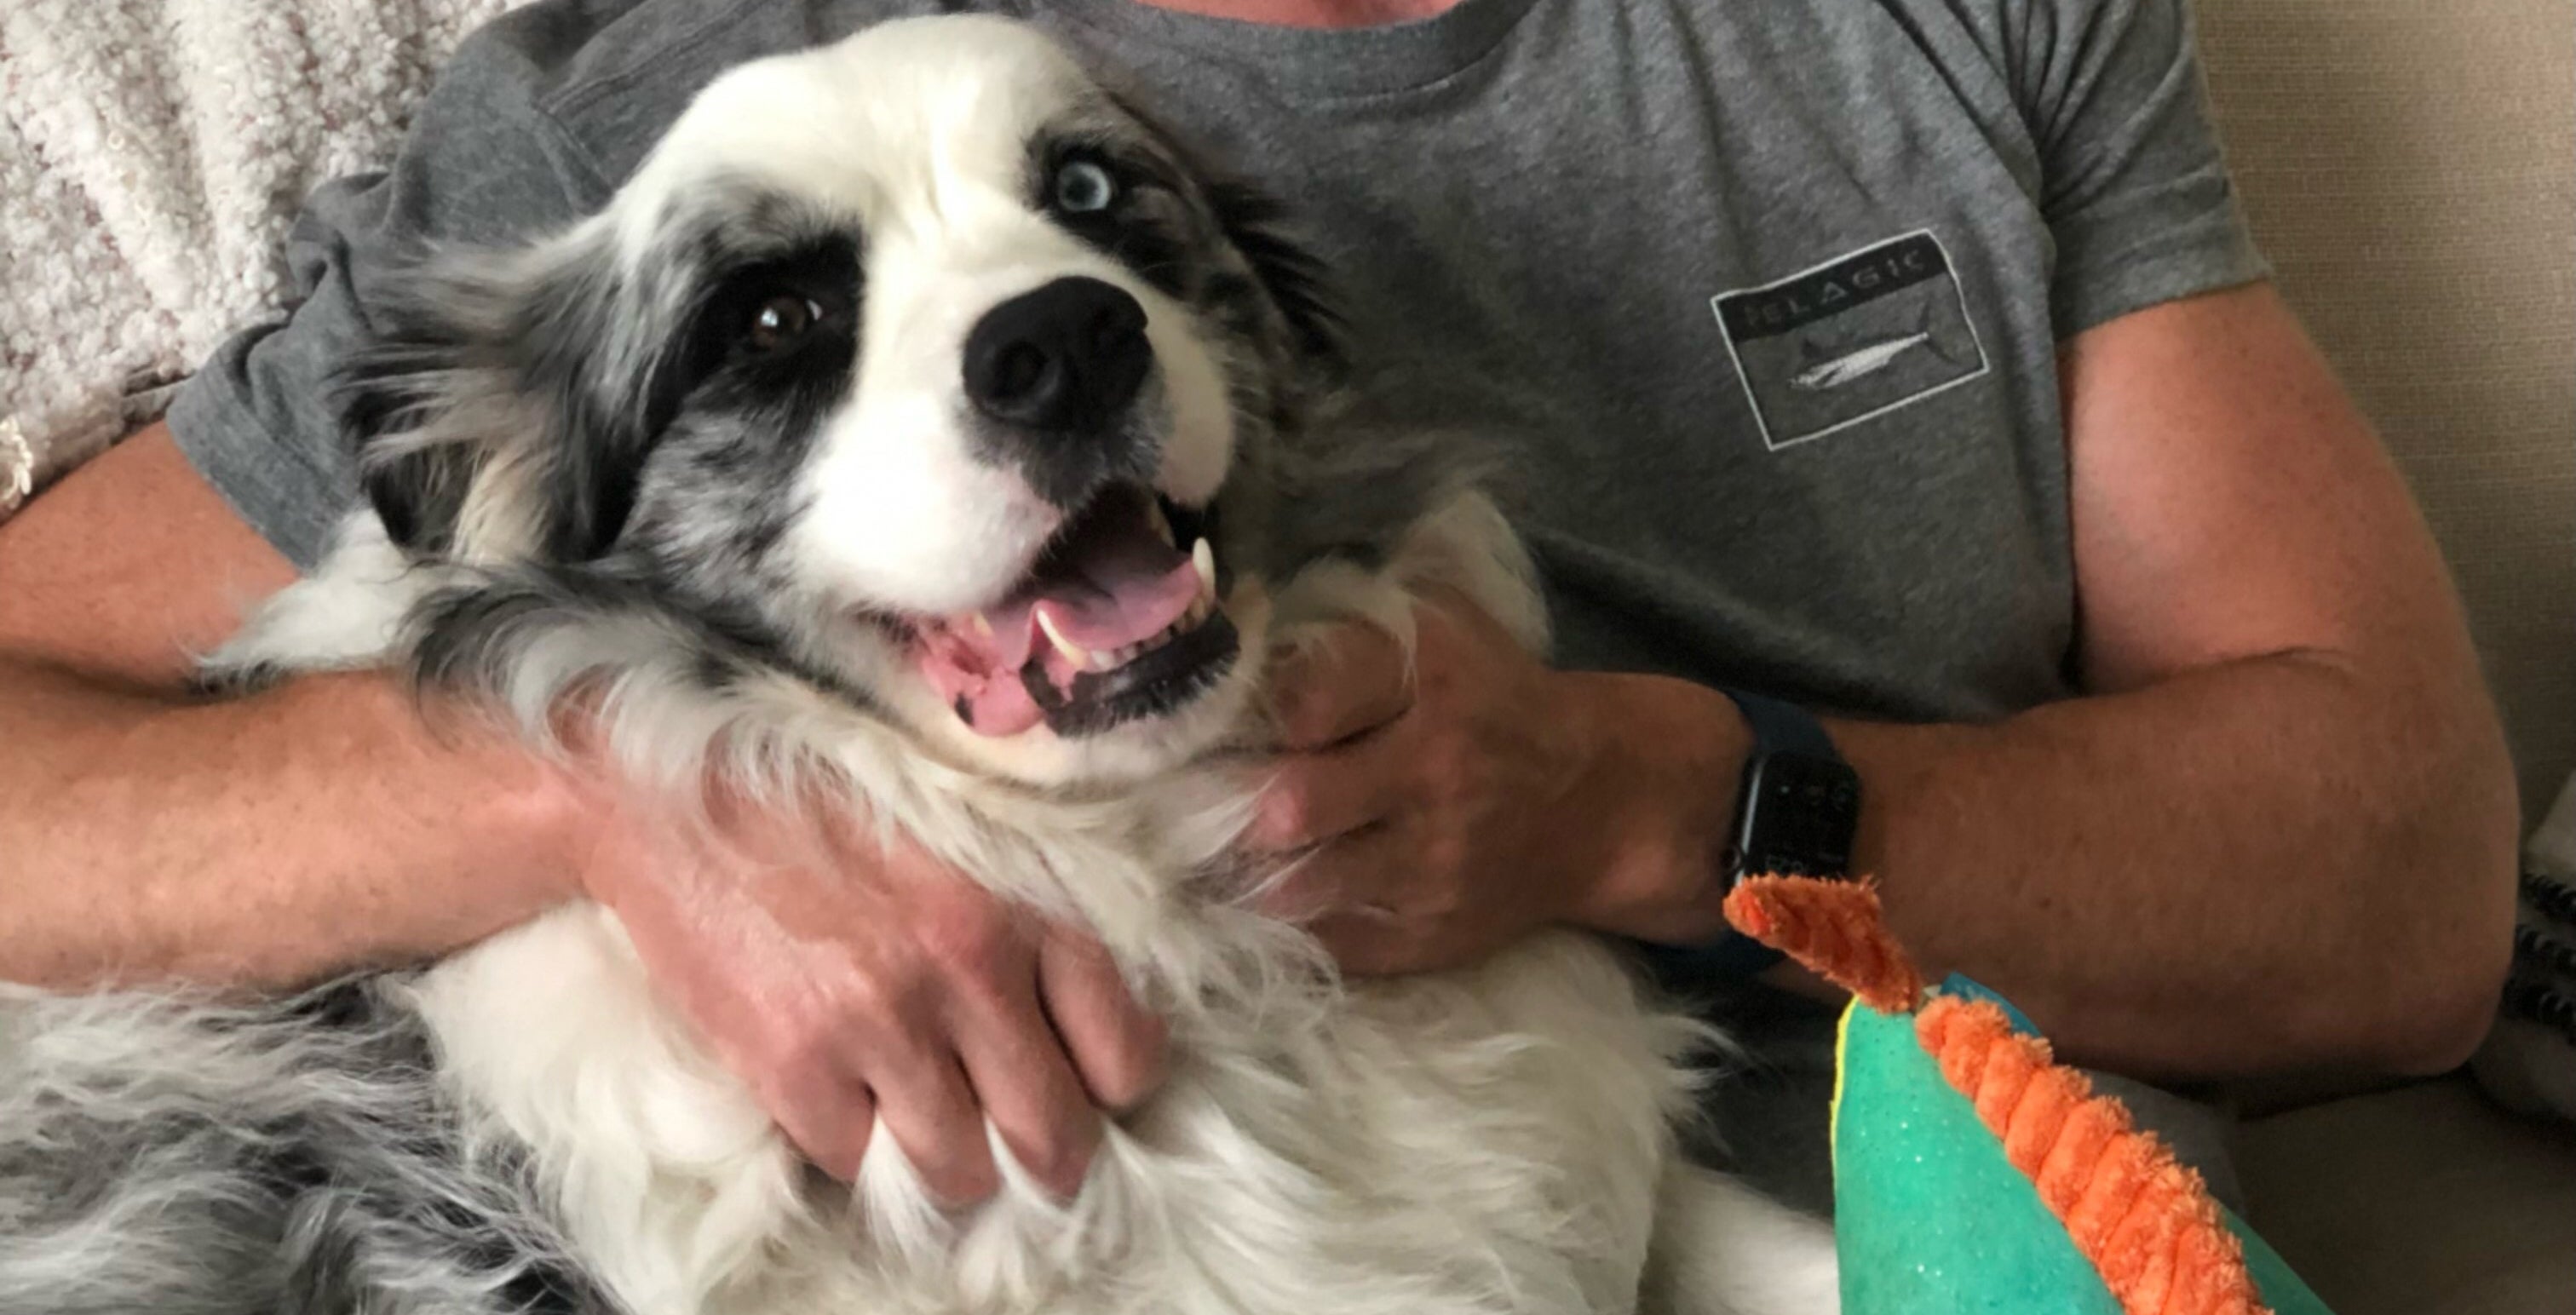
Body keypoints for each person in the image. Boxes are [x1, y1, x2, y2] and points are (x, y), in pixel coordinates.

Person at [0, 0, 2518, 1212]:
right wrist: (595, 785)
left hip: (1966, 1311)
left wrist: (1670, 797)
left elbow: (2404, 890)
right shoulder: (660, 105)